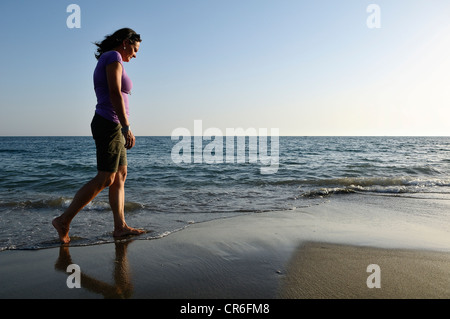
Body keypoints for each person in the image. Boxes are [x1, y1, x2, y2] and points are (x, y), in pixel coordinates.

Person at [53, 28, 145, 244]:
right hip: (109, 123)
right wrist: (126, 126)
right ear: (125, 42)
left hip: (113, 123)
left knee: (120, 175)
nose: (135, 54)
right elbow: (114, 92)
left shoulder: (111, 58)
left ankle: (120, 227)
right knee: (106, 177)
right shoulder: (112, 56)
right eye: (134, 49)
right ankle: (64, 220)